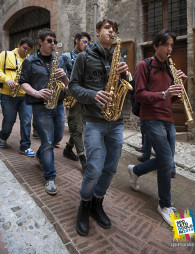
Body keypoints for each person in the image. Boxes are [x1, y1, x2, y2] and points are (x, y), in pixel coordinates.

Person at [68, 17, 129, 236]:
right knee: (94, 168)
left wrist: (125, 74)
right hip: (94, 121)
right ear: (97, 32)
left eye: (114, 29)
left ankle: (97, 203)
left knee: (111, 168)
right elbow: (73, 87)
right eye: (107, 28)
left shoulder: (118, 56)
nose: (111, 31)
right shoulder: (84, 57)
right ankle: (84, 205)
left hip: (117, 121)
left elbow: (127, 84)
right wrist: (94, 95)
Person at [128, 29, 187, 226]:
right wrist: (163, 94)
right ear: (156, 46)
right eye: (166, 45)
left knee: (167, 161)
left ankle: (135, 171)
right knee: (167, 160)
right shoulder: (144, 65)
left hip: (168, 119)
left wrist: (181, 85)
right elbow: (139, 95)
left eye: (172, 45)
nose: (170, 49)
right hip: (151, 118)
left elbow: (173, 98)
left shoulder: (170, 67)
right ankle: (164, 204)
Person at [19, 28, 69, 195]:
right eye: (49, 41)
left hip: (58, 104)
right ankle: (50, 178)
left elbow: (67, 84)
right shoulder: (30, 61)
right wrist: (36, 92)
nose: (53, 44)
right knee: (48, 141)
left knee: (58, 137)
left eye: (54, 41)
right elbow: (23, 82)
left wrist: (64, 77)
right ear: (40, 41)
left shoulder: (59, 60)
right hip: (41, 106)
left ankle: (40, 155)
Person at [58, 32, 91, 171]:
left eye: (88, 43)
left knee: (80, 127)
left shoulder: (87, 58)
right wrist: (69, 84)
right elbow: (58, 77)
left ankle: (67, 148)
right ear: (76, 40)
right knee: (77, 128)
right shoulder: (66, 57)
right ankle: (83, 158)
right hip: (72, 98)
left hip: (85, 96)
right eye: (84, 42)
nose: (86, 45)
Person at [0, 37, 35, 157]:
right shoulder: (5, 55)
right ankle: (3, 137)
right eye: (24, 48)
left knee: (26, 121)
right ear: (19, 45)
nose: (26, 52)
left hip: (25, 96)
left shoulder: (29, 60)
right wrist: (6, 79)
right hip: (8, 95)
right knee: (9, 120)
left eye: (29, 50)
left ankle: (25, 146)